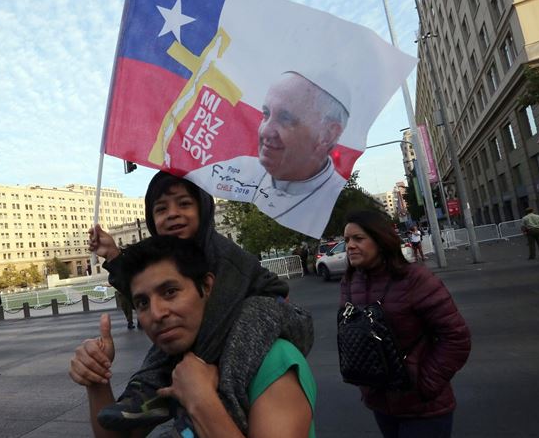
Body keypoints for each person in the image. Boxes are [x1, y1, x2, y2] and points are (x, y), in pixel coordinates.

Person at [88, 171, 312, 432]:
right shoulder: (177, 259)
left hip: (268, 307)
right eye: (161, 209)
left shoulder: (222, 256)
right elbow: (148, 285)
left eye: (184, 204)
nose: (172, 214)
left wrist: (200, 392)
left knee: (230, 326)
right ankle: (147, 390)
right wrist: (114, 257)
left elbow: (218, 315)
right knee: (171, 332)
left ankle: (226, 401)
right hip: (226, 320)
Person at [70, 236, 316, 437]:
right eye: (143, 302)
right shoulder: (172, 363)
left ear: (207, 287)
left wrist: (201, 400)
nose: (157, 314)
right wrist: (97, 378)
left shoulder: (274, 361)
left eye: (170, 292)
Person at [339, 210, 471, 438]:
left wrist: (425, 385)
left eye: (358, 238)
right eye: (347, 240)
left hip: (424, 409)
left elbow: (456, 338)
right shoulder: (350, 282)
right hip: (380, 403)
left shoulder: (416, 279)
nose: (350, 245)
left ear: (380, 240)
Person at [251, 72, 350, 236]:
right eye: (266, 114)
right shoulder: (239, 169)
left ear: (326, 134)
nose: (265, 131)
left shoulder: (338, 198)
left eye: (285, 118)